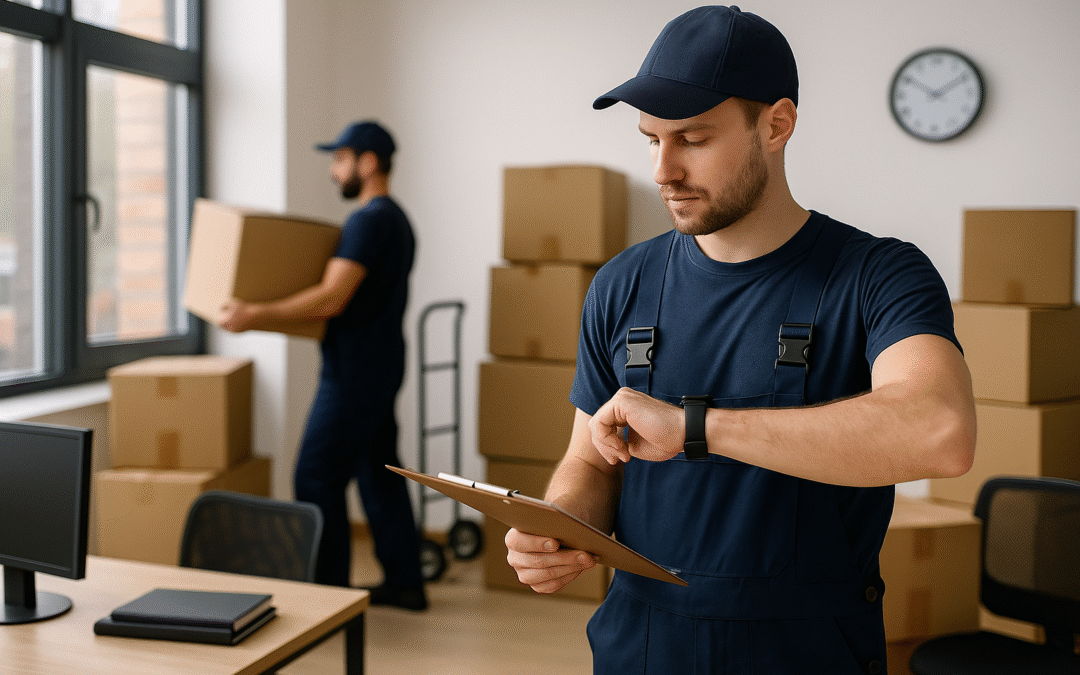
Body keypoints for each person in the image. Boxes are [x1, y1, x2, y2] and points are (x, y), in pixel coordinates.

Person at [505, 6, 975, 674]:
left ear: (777, 124)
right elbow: (589, 461)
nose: (663, 169)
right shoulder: (621, 284)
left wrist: (695, 427)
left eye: (693, 138)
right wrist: (558, 527)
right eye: (650, 139)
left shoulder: (878, 275)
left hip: (806, 653)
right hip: (640, 646)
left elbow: (940, 430)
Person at [219, 120, 427, 610]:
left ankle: (327, 597)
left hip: (355, 372)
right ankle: (404, 581)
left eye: (340, 159)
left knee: (315, 476)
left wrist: (254, 316)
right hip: (378, 364)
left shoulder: (369, 221)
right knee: (378, 474)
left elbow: (332, 298)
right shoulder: (396, 219)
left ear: (368, 162)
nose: (335, 172)